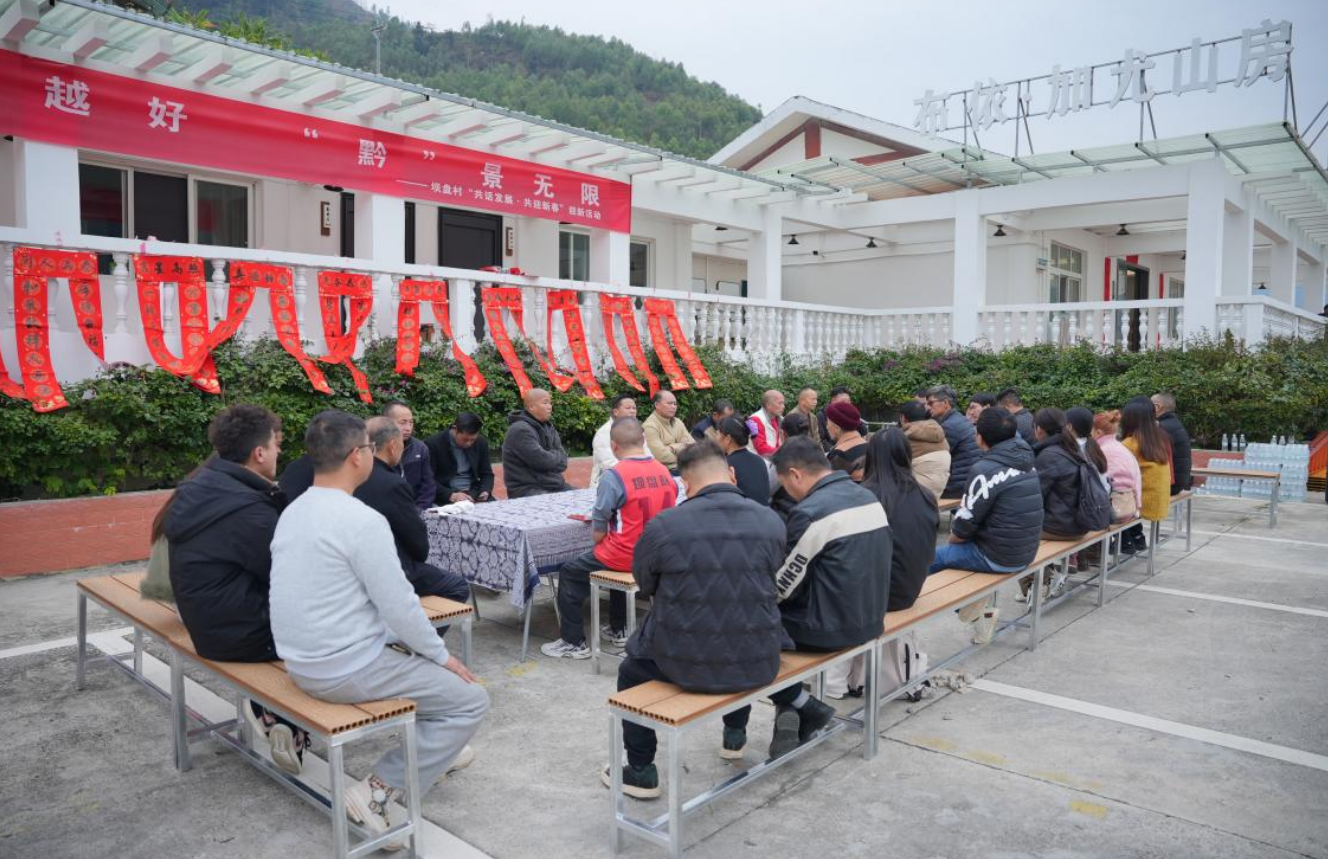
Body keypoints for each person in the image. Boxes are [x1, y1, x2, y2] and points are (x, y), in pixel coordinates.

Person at [270, 411, 489, 844]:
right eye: (370, 449)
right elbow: (401, 607)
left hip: (300, 657)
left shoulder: (295, 510)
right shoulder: (361, 520)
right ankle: (377, 793)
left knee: (419, 661)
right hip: (341, 667)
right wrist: (441, 656)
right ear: (357, 456)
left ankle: (435, 752)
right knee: (469, 699)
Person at [604, 441, 786, 798]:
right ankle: (734, 736)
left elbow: (645, 583)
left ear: (685, 484)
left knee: (630, 671)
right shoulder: (771, 520)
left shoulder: (664, 525)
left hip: (682, 662)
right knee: (738, 622)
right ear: (731, 474)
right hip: (759, 656)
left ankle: (640, 770)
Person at [164, 405, 308, 775]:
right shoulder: (248, 510)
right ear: (259, 453)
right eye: (276, 446)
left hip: (203, 620)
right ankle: (277, 711)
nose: (279, 452)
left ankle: (279, 715)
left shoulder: (199, 488)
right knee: (335, 624)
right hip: (239, 634)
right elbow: (288, 577)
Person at [767, 437, 891, 758]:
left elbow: (784, 584)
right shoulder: (867, 497)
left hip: (829, 629)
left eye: (783, 484)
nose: (786, 492)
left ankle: (800, 703)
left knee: (743, 629)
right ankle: (795, 710)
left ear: (795, 475)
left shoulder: (811, 513)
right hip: (871, 619)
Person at [541, 419, 677, 658]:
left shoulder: (615, 475)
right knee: (613, 566)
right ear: (643, 441)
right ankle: (619, 628)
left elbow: (600, 522)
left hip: (627, 554)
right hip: (657, 553)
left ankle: (573, 642)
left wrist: (600, 540)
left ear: (614, 445)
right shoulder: (663, 470)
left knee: (571, 572)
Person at [826, 428, 940, 699]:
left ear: (872, 457)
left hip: (877, 597)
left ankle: (832, 681)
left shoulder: (863, 496)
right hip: (910, 588)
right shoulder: (925, 495)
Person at [930, 408, 1043, 642]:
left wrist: (954, 542)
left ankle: (973, 613)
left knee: (930, 559)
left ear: (979, 437)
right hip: (1026, 552)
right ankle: (975, 607)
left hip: (997, 556)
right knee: (952, 557)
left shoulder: (984, 470)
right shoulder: (1027, 461)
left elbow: (962, 528)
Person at [354, 418, 472, 606]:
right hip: (390, 566)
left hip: (357, 562)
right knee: (458, 586)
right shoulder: (393, 484)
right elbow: (416, 540)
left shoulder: (354, 474)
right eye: (402, 441)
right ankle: (414, 625)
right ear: (392, 445)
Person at [1120, 399, 1172, 556]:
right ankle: (1137, 538)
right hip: (1160, 498)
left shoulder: (1130, 443)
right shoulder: (1159, 438)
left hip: (1144, 502)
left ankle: (1124, 543)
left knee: (1108, 499)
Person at [502, 388, 573, 498]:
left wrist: (551, 457)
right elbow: (542, 461)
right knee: (556, 503)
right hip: (527, 489)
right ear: (531, 407)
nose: (549, 407)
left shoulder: (548, 427)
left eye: (550, 403)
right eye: (545, 403)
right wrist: (556, 456)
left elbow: (563, 462)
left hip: (554, 485)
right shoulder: (520, 430)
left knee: (581, 497)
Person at [1032, 408, 1090, 541]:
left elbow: (1035, 495)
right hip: (1080, 523)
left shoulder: (1049, 455)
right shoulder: (1072, 448)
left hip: (1060, 527)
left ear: (1039, 429)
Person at [424, 412, 495, 506]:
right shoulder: (433, 444)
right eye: (465, 439)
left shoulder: (481, 442)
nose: (469, 443)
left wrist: (485, 490)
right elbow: (428, 479)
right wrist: (451, 495)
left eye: (472, 440)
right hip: (446, 495)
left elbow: (487, 473)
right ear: (454, 429)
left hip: (474, 493)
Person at [927, 385, 981, 499]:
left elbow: (934, 459)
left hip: (956, 486)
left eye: (931, 403)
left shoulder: (949, 426)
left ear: (945, 403)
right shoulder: (959, 419)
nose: (928, 407)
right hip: (969, 481)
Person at [382, 401, 435, 510]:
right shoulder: (375, 449)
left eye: (411, 422)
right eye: (403, 422)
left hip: (416, 508)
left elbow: (428, 485)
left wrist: (419, 511)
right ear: (387, 422)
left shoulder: (420, 448)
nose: (408, 428)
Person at [590, 394, 650, 488]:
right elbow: (609, 464)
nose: (632, 411)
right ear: (616, 412)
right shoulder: (604, 433)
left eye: (634, 408)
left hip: (638, 479)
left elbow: (648, 454)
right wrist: (637, 472)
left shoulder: (637, 429)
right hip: (609, 483)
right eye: (628, 408)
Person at [1094, 410, 1143, 523]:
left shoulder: (1100, 451)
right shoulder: (1123, 448)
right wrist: (1138, 506)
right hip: (1129, 508)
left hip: (1112, 512)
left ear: (1098, 432)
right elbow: (1137, 478)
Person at [897, 400, 951, 500]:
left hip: (915, 495)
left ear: (903, 418)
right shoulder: (940, 434)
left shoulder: (904, 438)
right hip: (937, 493)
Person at [715, 415, 771, 506]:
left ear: (728, 439)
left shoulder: (724, 465)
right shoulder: (759, 460)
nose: (716, 438)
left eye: (717, 434)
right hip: (764, 512)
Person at [642, 389, 694, 474]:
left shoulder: (678, 422)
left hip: (686, 468)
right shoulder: (650, 426)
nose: (673, 407)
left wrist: (671, 447)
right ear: (657, 405)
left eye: (675, 404)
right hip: (665, 472)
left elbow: (693, 446)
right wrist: (683, 447)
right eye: (669, 403)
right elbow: (661, 456)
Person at [770, 412, 810, 521]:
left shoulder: (782, 456)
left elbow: (769, 489)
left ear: (783, 434)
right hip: (816, 507)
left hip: (788, 513)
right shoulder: (817, 452)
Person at [1151, 393, 1193, 495]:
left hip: (1170, 484)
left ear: (1157, 407)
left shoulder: (1161, 427)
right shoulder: (1173, 423)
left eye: (1149, 405)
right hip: (1179, 481)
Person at [825, 400, 868, 481]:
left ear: (837, 427)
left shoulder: (840, 454)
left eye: (828, 422)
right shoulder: (867, 445)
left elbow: (829, 484)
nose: (827, 427)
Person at [749, 390, 786, 458]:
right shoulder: (753, 421)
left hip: (774, 459)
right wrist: (784, 454)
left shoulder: (781, 419)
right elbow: (761, 448)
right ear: (768, 405)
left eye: (783, 403)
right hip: (759, 460)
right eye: (780, 403)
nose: (783, 406)